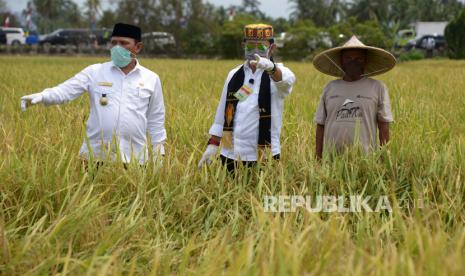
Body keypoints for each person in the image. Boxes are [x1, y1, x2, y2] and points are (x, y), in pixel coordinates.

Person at [20, 23, 167, 165]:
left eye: (123, 43)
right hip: (95, 157)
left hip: (135, 159)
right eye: (114, 42)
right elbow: (65, 91)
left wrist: (158, 152)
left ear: (138, 47)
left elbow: (156, 119)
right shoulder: (95, 72)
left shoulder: (151, 79)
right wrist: (43, 96)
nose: (117, 48)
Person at [198, 24, 296, 173]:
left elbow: (286, 82)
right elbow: (222, 112)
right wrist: (213, 144)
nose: (255, 51)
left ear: (272, 47)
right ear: (243, 45)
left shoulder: (279, 73)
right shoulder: (234, 74)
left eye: (261, 47)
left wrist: (271, 68)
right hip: (230, 153)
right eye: (250, 46)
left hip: (264, 156)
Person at [312, 35, 397, 159]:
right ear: (341, 61)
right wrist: (318, 157)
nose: (353, 61)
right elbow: (320, 124)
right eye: (348, 58)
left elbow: (383, 125)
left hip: (365, 159)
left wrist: (384, 158)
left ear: (365, 61)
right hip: (331, 159)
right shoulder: (330, 88)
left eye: (358, 58)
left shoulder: (378, 87)